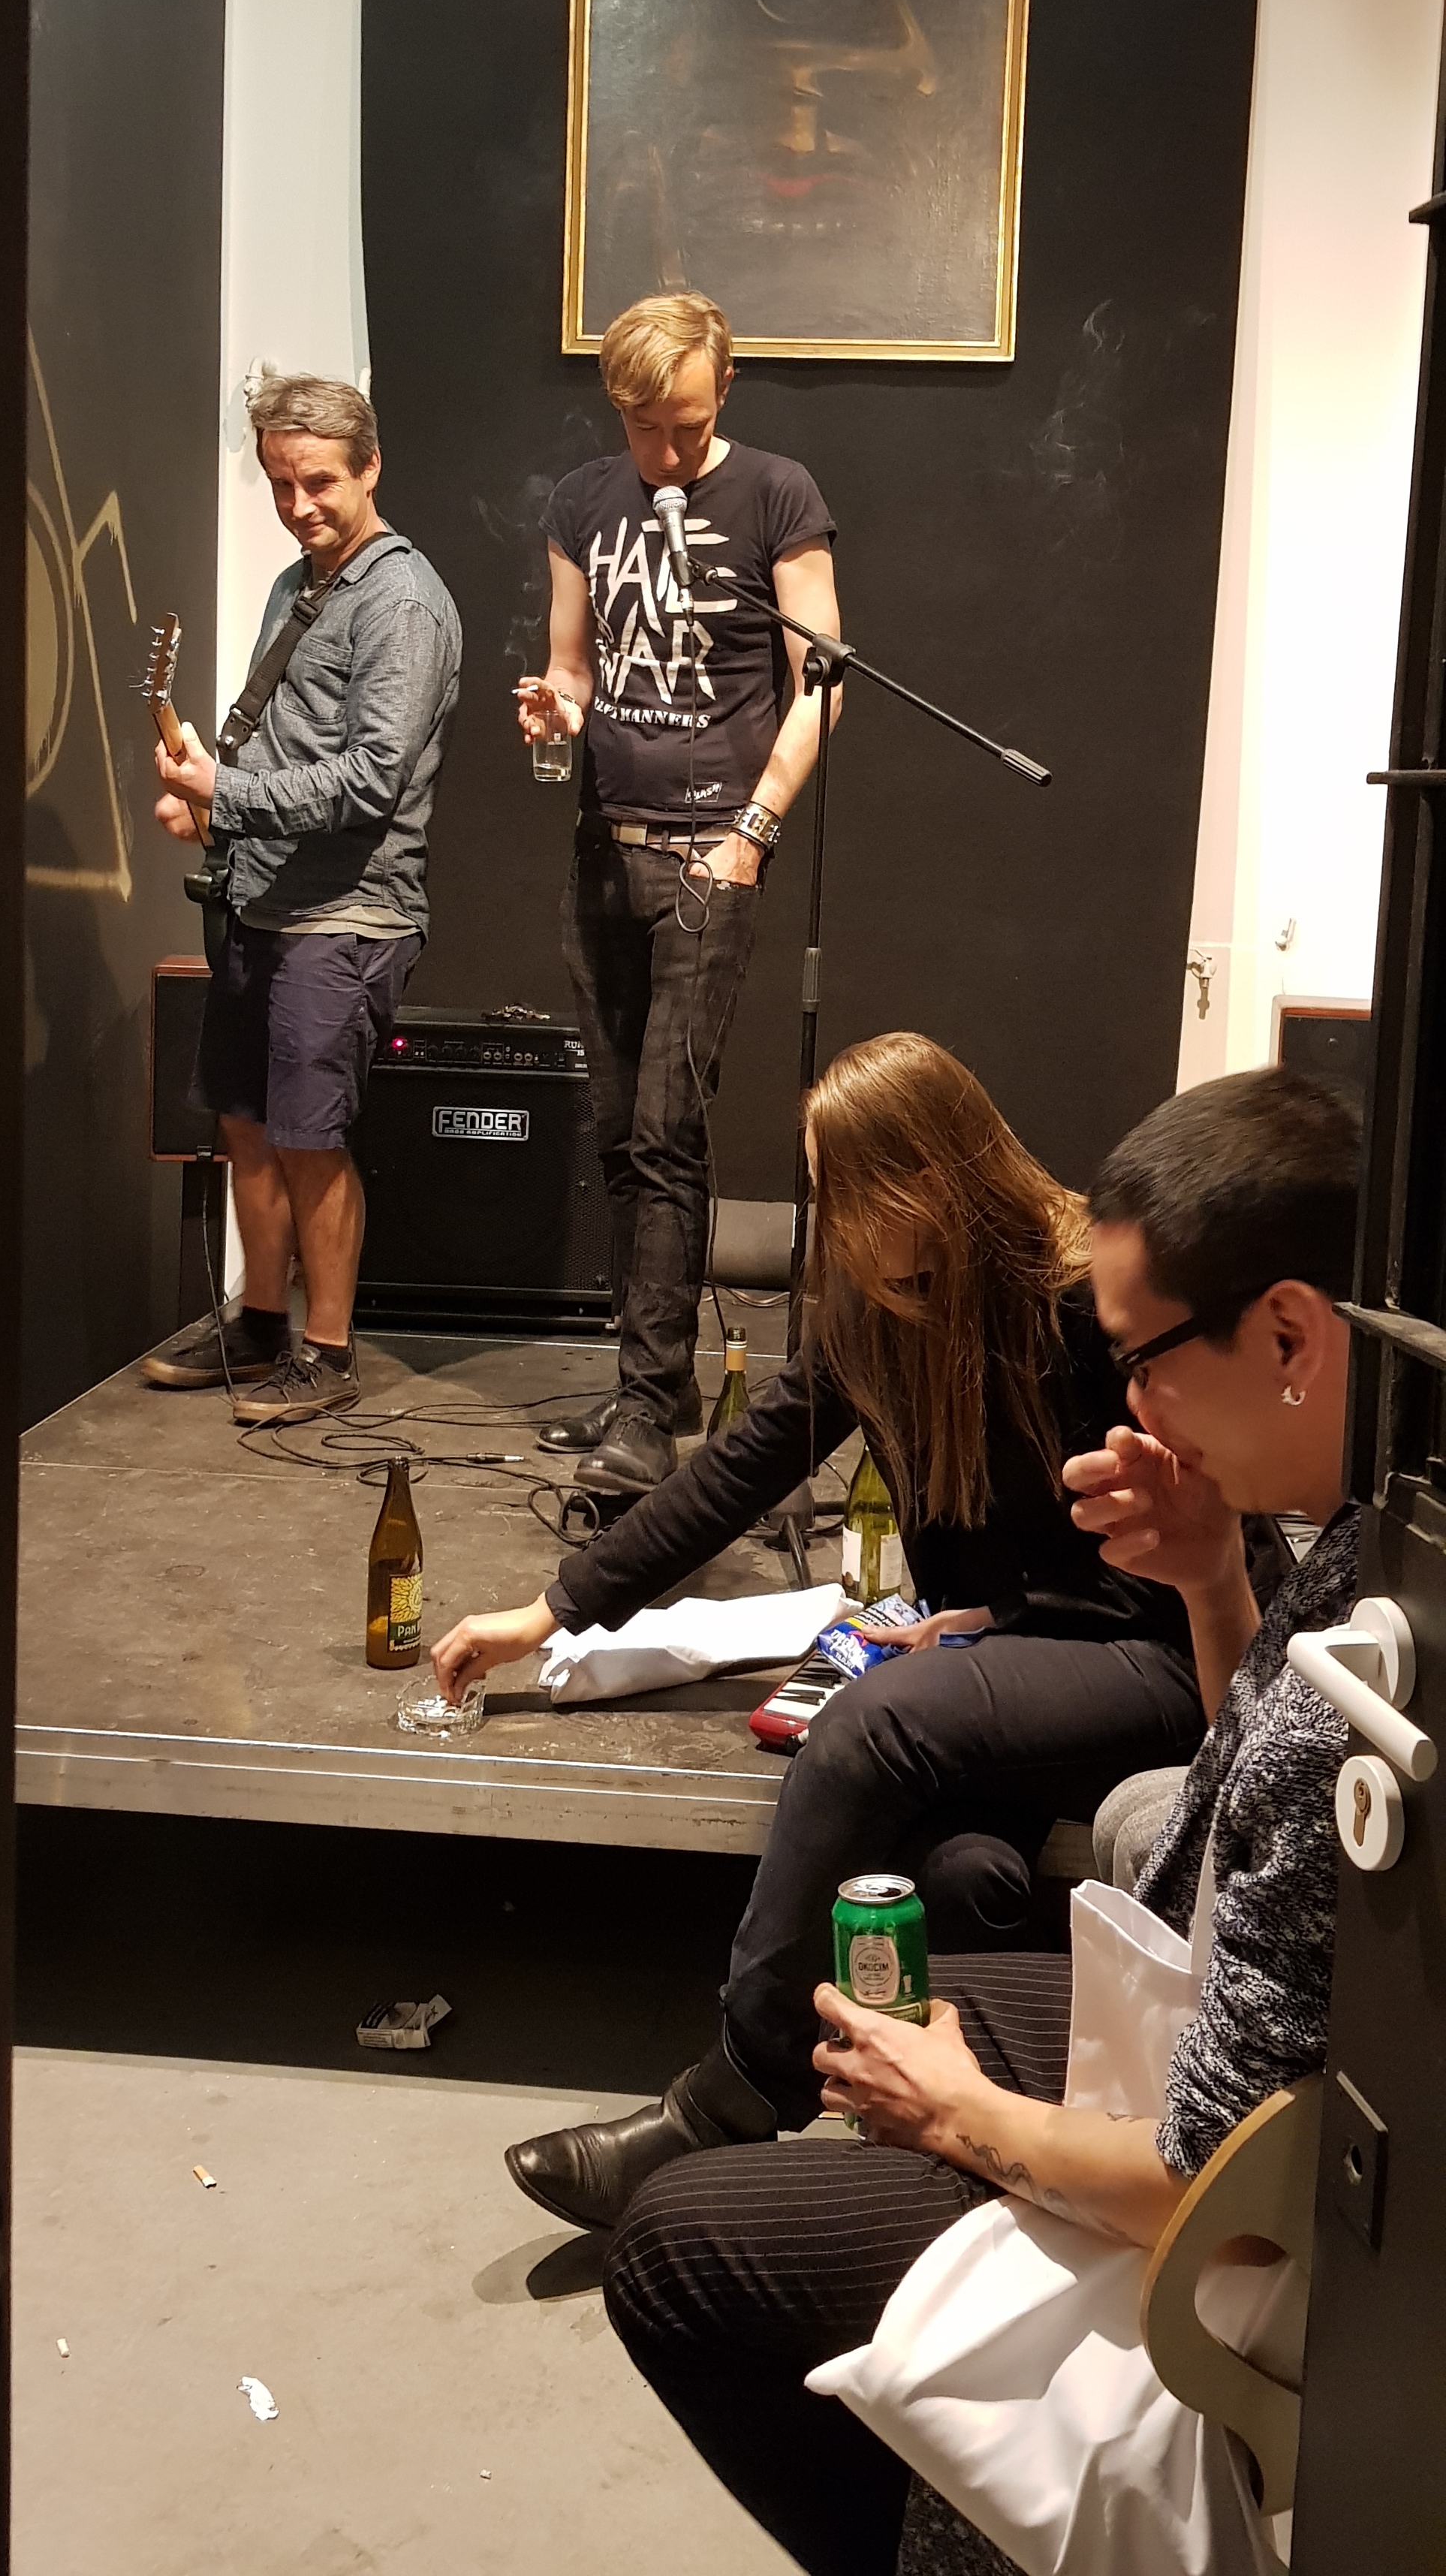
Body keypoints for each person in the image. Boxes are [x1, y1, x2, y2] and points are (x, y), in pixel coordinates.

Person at [597, 1065, 1362, 2576]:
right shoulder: (1337, 1543)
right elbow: (1242, 1782)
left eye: (1146, 1360)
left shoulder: (1371, 1629)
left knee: (677, 2248)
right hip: (1103, 1714)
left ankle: (741, 2104)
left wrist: (961, 2114)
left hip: (1233, 2161)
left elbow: (1215, 2185)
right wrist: (1213, 1576)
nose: (1133, 1400)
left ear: (1286, 1335)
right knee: (951, 1893)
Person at [431, 1032, 1211, 2225]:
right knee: (965, 1876)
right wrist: (548, 1613)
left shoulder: (1081, 1304)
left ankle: (732, 2096)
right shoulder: (891, 1310)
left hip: (1156, 1660)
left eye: (839, 1192)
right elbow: (736, 1470)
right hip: (1019, 1655)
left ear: (922, 1183)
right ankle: (947, 2138)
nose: (827, 1224)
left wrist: (996, 1626)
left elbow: (1170, 1571)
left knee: (875, 1724)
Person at [517, 288, 841, 1496]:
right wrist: (556, 710)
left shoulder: (777, 494)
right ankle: (651, 1386)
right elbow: (572, 668)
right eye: (645, 427)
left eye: (689, 425)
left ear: (725, 390)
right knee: (618, 1133)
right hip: (604, 847)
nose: (667, 450)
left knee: (667, 1127)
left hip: (711, 852)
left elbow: (822, 681)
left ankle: (649, 1409)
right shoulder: (580, 503)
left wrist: (754, 832)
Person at [142, 371, 461, 1426]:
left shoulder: (402, 603)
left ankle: (327, 1351)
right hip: (260, 898)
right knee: (246, 1123)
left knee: (310, 1136)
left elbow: (371, 781)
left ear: (371, 468)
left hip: (348, 915)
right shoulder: (297, 583)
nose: (298, 505)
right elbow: (283, 749)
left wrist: (226, 793)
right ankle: (260, 1323)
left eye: (318, 481)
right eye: (281, 483)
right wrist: (210, 807)